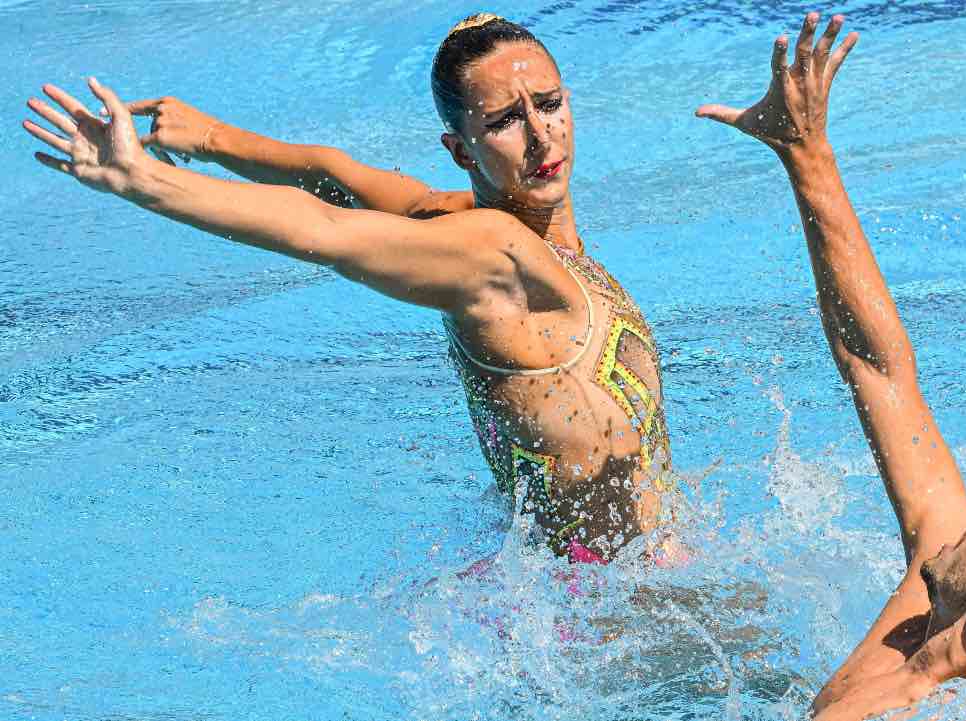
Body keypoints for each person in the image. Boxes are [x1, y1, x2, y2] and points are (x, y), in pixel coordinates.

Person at [21, 13, 681, 566]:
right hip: (606, 619)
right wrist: (145, 180)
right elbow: (326, 227)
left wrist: (213, 138)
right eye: (506, 120)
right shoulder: (492, 255)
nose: (541, 135)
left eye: (549, 104)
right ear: (462, 150)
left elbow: (337, 177)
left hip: (575, 590)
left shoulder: (477, 221)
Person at [696, 13, 966, 719]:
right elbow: (879, 368)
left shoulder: (947, 707)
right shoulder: (936, 597)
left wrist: (925, 672)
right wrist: (807, 154)